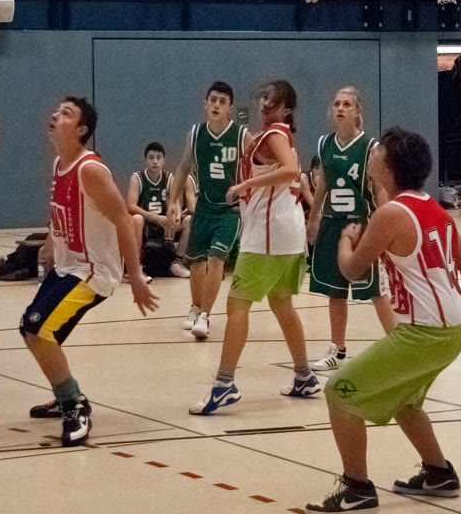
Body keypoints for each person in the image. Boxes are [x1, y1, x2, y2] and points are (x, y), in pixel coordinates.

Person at [305, 126, 461, 512]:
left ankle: (357, 488)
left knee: (338, 392)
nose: (373, 153)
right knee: (405, 400)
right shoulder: (432, 207)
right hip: (455, 330)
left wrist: (346, 240)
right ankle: (439, 473)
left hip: (425, 335)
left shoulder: (390, 215)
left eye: (379, 151)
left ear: (390, 166)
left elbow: (351, 269)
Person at [23, 97, 158, 447]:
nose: (56, 114)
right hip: (67, 265)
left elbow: (124, 219)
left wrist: (136, 276)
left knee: (37, 328)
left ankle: (75, 406)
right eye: (57, 110)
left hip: (92, 271)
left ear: (81, 130)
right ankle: (65, 395)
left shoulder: (91, 170)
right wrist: (51, 242)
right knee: (34, 331)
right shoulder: (60, 164)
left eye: (66, 113)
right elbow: (62, 211)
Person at [189, 80, 321, 415]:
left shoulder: (274, 134)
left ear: (286, 109)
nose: (264, 104)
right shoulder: (276, 135)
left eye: (272, 101)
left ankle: (224, 384)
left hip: (268, 235)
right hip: (287, 234)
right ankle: (304, 376)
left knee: (237, 305)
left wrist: (246, 183)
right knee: (282, 304)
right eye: (263, 98)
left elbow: (291, 170)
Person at [307, 87, 391, 372]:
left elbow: (379, 189)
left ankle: (398, 346)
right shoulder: (325, 144)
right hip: (333, 224)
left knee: (375, 291)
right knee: (336, 290)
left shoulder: (370, 147)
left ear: (357, 111)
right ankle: (337, 350)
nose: (340, 108)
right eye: (336, 104)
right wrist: (313, 218)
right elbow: (323, 184)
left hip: (361, 226)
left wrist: (387, 225)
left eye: (346, 104)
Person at [168, 81, 249, 338]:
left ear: (230, 109)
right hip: (203, 206)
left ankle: (205, 315)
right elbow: (183, 167)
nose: (216, 105)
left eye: (222, 101)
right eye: (213, 100)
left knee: (216, 258)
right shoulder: (195, 134)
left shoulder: (241, 135)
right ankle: (195, 308)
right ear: (206, 104)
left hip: (230, 210)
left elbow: (256, 169)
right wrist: (173, 201)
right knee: (196, 261)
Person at [126, 141, 191, 278]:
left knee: (189, 220)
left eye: (158, 158)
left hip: (163, 224)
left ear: (163, 160)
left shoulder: (169, 178)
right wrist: (154, 217)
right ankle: (136, 267)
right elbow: (131, 206)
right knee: (136, 219)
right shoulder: (137, 178)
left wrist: (176, 217)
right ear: (145, 160)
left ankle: (177, 263)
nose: (155, 161)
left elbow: (176, 203)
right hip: (145, 224)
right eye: (151, 158)